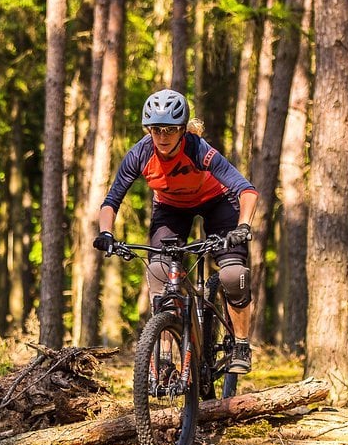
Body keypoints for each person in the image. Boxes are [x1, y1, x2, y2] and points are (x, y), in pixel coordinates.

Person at [93, 89, 259, 373]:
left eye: (170, 129)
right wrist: (106, 234)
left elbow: (247, 190)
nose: (162, 135)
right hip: (171, 208)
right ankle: (167, 356)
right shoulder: (141, 154)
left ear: (182, 130)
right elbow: (111, 201)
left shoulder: (198, 150)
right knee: (159, 272)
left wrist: (243, 226)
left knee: (233, 275)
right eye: (156, 129)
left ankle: (241, 344)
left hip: (216, 202)